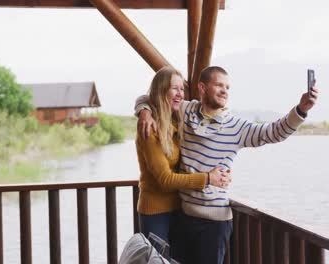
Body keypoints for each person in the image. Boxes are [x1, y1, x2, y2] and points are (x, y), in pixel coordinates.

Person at [135, 66, 319, 264]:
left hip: (215, 222)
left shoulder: (236, 127)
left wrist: (301, 110)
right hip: (184, 216)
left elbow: (273, 132)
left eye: (228, 87)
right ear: (202, 88)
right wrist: (144, 111)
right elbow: (155, 96)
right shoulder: (185, 111)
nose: (225, 91)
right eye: (219, 85)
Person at [135, 66, 232, 253]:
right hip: (155, 213)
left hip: (181, 209)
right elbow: (165, 179)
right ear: (161, 91)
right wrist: (208, 179)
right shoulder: (149, 129)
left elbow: (144, 99)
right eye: (174, 88)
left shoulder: (176, 120)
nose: (180, 94)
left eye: (182, 89)